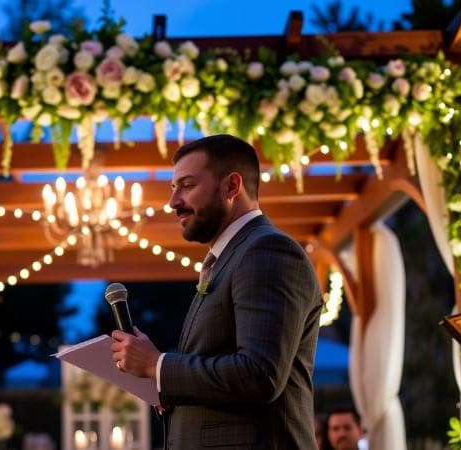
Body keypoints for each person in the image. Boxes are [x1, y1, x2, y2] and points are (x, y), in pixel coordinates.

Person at [110, 134, 323, 449]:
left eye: (187, 185)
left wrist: (156, 364)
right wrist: (166, 387)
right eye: (173, 188)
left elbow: (259, 375)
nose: (173, 202)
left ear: (232, 186)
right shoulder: (231, 258)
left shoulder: (267, 250)